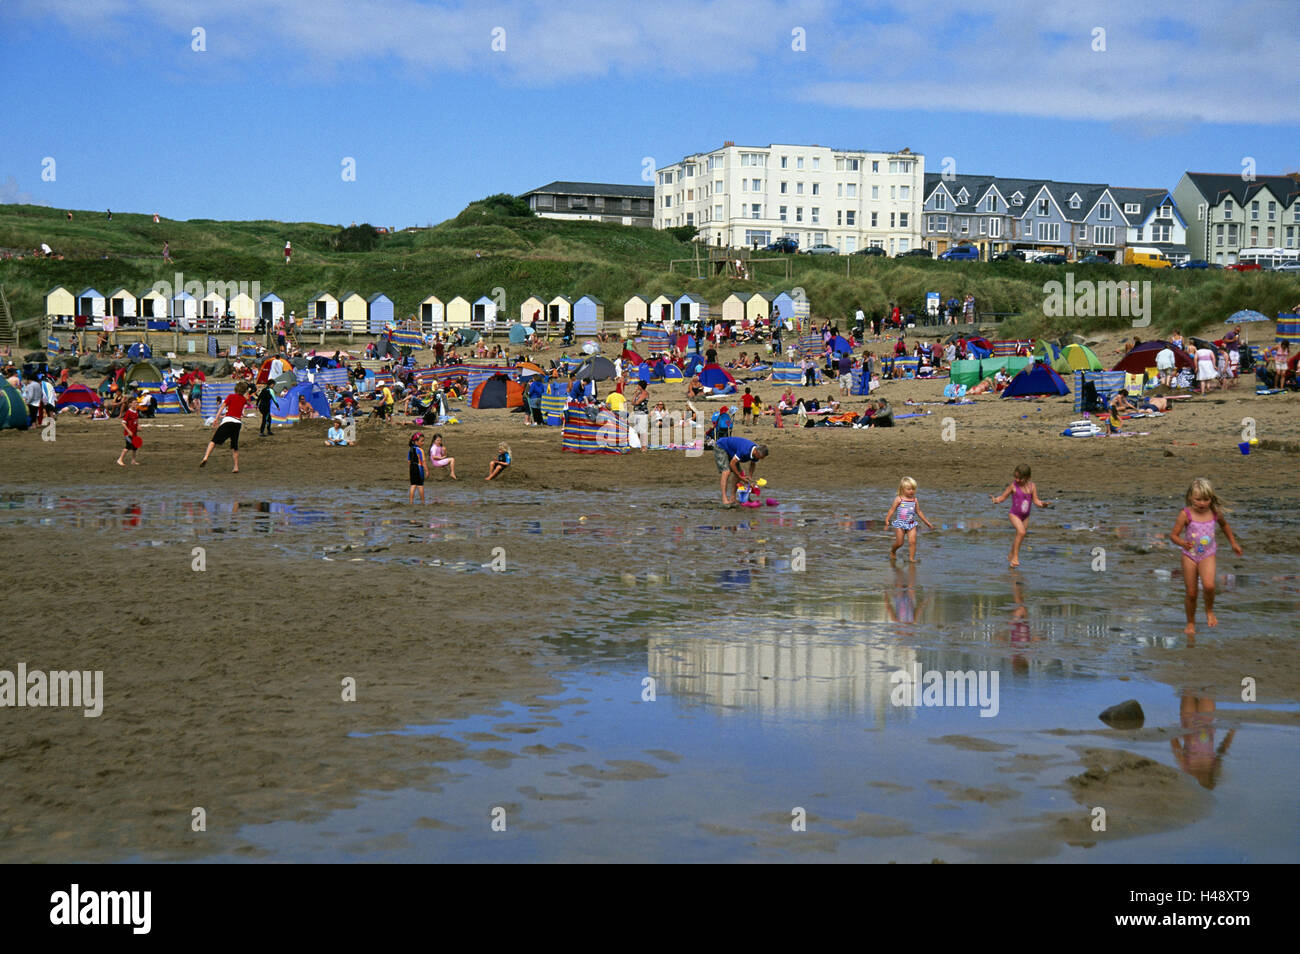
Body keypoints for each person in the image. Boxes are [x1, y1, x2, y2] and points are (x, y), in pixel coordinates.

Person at [1170, 478, 1243, 636]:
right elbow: (1173, 535)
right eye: (1198, 499)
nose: (1202, 503)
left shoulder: (1214, 512)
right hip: (1189, 555)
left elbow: (1224, 525)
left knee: (1209, 586)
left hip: (1208, 555)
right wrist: (1182, 543)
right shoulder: (1185, 514)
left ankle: (1209, 611)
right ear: (1190, 497)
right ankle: (1190, 622)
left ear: (1211, 498)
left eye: (1206, 499)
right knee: (1191, 593)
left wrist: (1233, 543)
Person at [991, 464, 1051, 568]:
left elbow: (1036, 500)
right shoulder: (1013, 486)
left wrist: (1042, 504)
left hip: (1025, 516)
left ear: (1028, 478)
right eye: (1015, 477)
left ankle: (1010, 555)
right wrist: (995, 500)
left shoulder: (1032, 486)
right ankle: (1015, 558)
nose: (1017, 480)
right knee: (1022, 532)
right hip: (1014, 514)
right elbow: (1003, 497)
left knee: (1020, 535)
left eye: (1020, 478)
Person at [200, 381, 250, 472]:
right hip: (237, 423)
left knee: (213, 441)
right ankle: (236, 467)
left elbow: (222, 407)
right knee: (234, 446)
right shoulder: (243, 400)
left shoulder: (230, 396)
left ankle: (206, 457)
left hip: (228, 421)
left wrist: (216, 418)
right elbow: (244, 408)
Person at [885, 476, 935, 563]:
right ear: (902, 489)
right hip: (900, 524)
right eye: (909, 489)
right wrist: (887, 520)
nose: (912, 491)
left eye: (913, 489)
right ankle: (893, 551)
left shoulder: (915, 500)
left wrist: (927, 523)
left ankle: (911, 559)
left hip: (911, 524)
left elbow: (919, 511)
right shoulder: (899, 499)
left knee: (913, 542)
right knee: (900, 543)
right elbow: (892, 510)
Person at [713, 436, 768, 505]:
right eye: (760, 457)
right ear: (756, 452)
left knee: (740, 473)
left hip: (732, 451)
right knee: (726, 471)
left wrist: (749, 478)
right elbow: (732, 463)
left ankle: (732, 498)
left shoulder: (756, 453)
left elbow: (753, 464)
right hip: (721, 446)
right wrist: (740, 477)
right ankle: (724, 499)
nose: (760, 459)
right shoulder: (745, 450)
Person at [116, 397, 141, 466]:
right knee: (128, 446)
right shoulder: (128, 412)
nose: (136, 404)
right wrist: (128, 431)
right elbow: (123, 423)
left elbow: (136, 420)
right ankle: (120, 459)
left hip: (134, 433)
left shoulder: (136, 411)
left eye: (136, 403)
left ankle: (133, 460)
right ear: (130, 404)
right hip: (128, 434)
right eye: (134, 403)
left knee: (135, 447)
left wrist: (138, 426)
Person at [408, 433, 427, 504]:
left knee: (413, 485)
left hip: (412, 468)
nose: (423, 443)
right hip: (418, 468)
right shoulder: (420, 450)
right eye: (422, 441)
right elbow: (423, 462)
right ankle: (423, 502)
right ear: (416, 441)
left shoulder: (410, 449)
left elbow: (409, 461)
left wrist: (410, 469)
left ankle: (411, 501)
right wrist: (427, 471)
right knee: (420, 485)